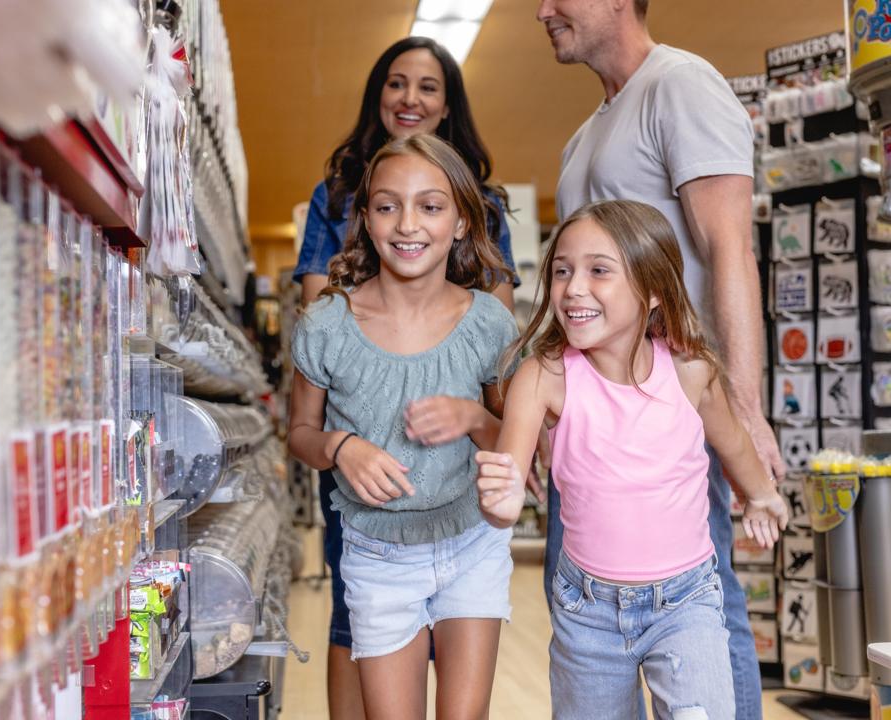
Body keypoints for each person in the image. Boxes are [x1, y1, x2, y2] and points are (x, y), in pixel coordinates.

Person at [535, 1, 786, 716]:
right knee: (583, 613)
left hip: (668, 417)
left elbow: (729, 251)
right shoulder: (584, 137)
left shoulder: (681, 85)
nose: (542, 10)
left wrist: (743, 411)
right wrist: (545, 417)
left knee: (702, 610)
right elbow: (575, 298)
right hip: (589, 431)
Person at [476, 200, 789, 719]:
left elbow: (733, 442)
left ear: (651, 290)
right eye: (562, 271)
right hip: (587, 611)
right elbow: (506, 493)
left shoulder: (690, 372)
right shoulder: (544, 376)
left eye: (598, 270)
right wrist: (499, 502)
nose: (573, 287)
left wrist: (761, 495)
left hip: (687, 602)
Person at [291, 36, 518, 719]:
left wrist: (475, 419)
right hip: (376, 553)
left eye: (429, 207)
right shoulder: (328, 323)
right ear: (362, 218)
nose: (407, 224)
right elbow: (299, 432)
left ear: (460, 224)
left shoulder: (488, 323)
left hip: (473, 542)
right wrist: (339, 448)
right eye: (387, 207)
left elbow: (512, 437)